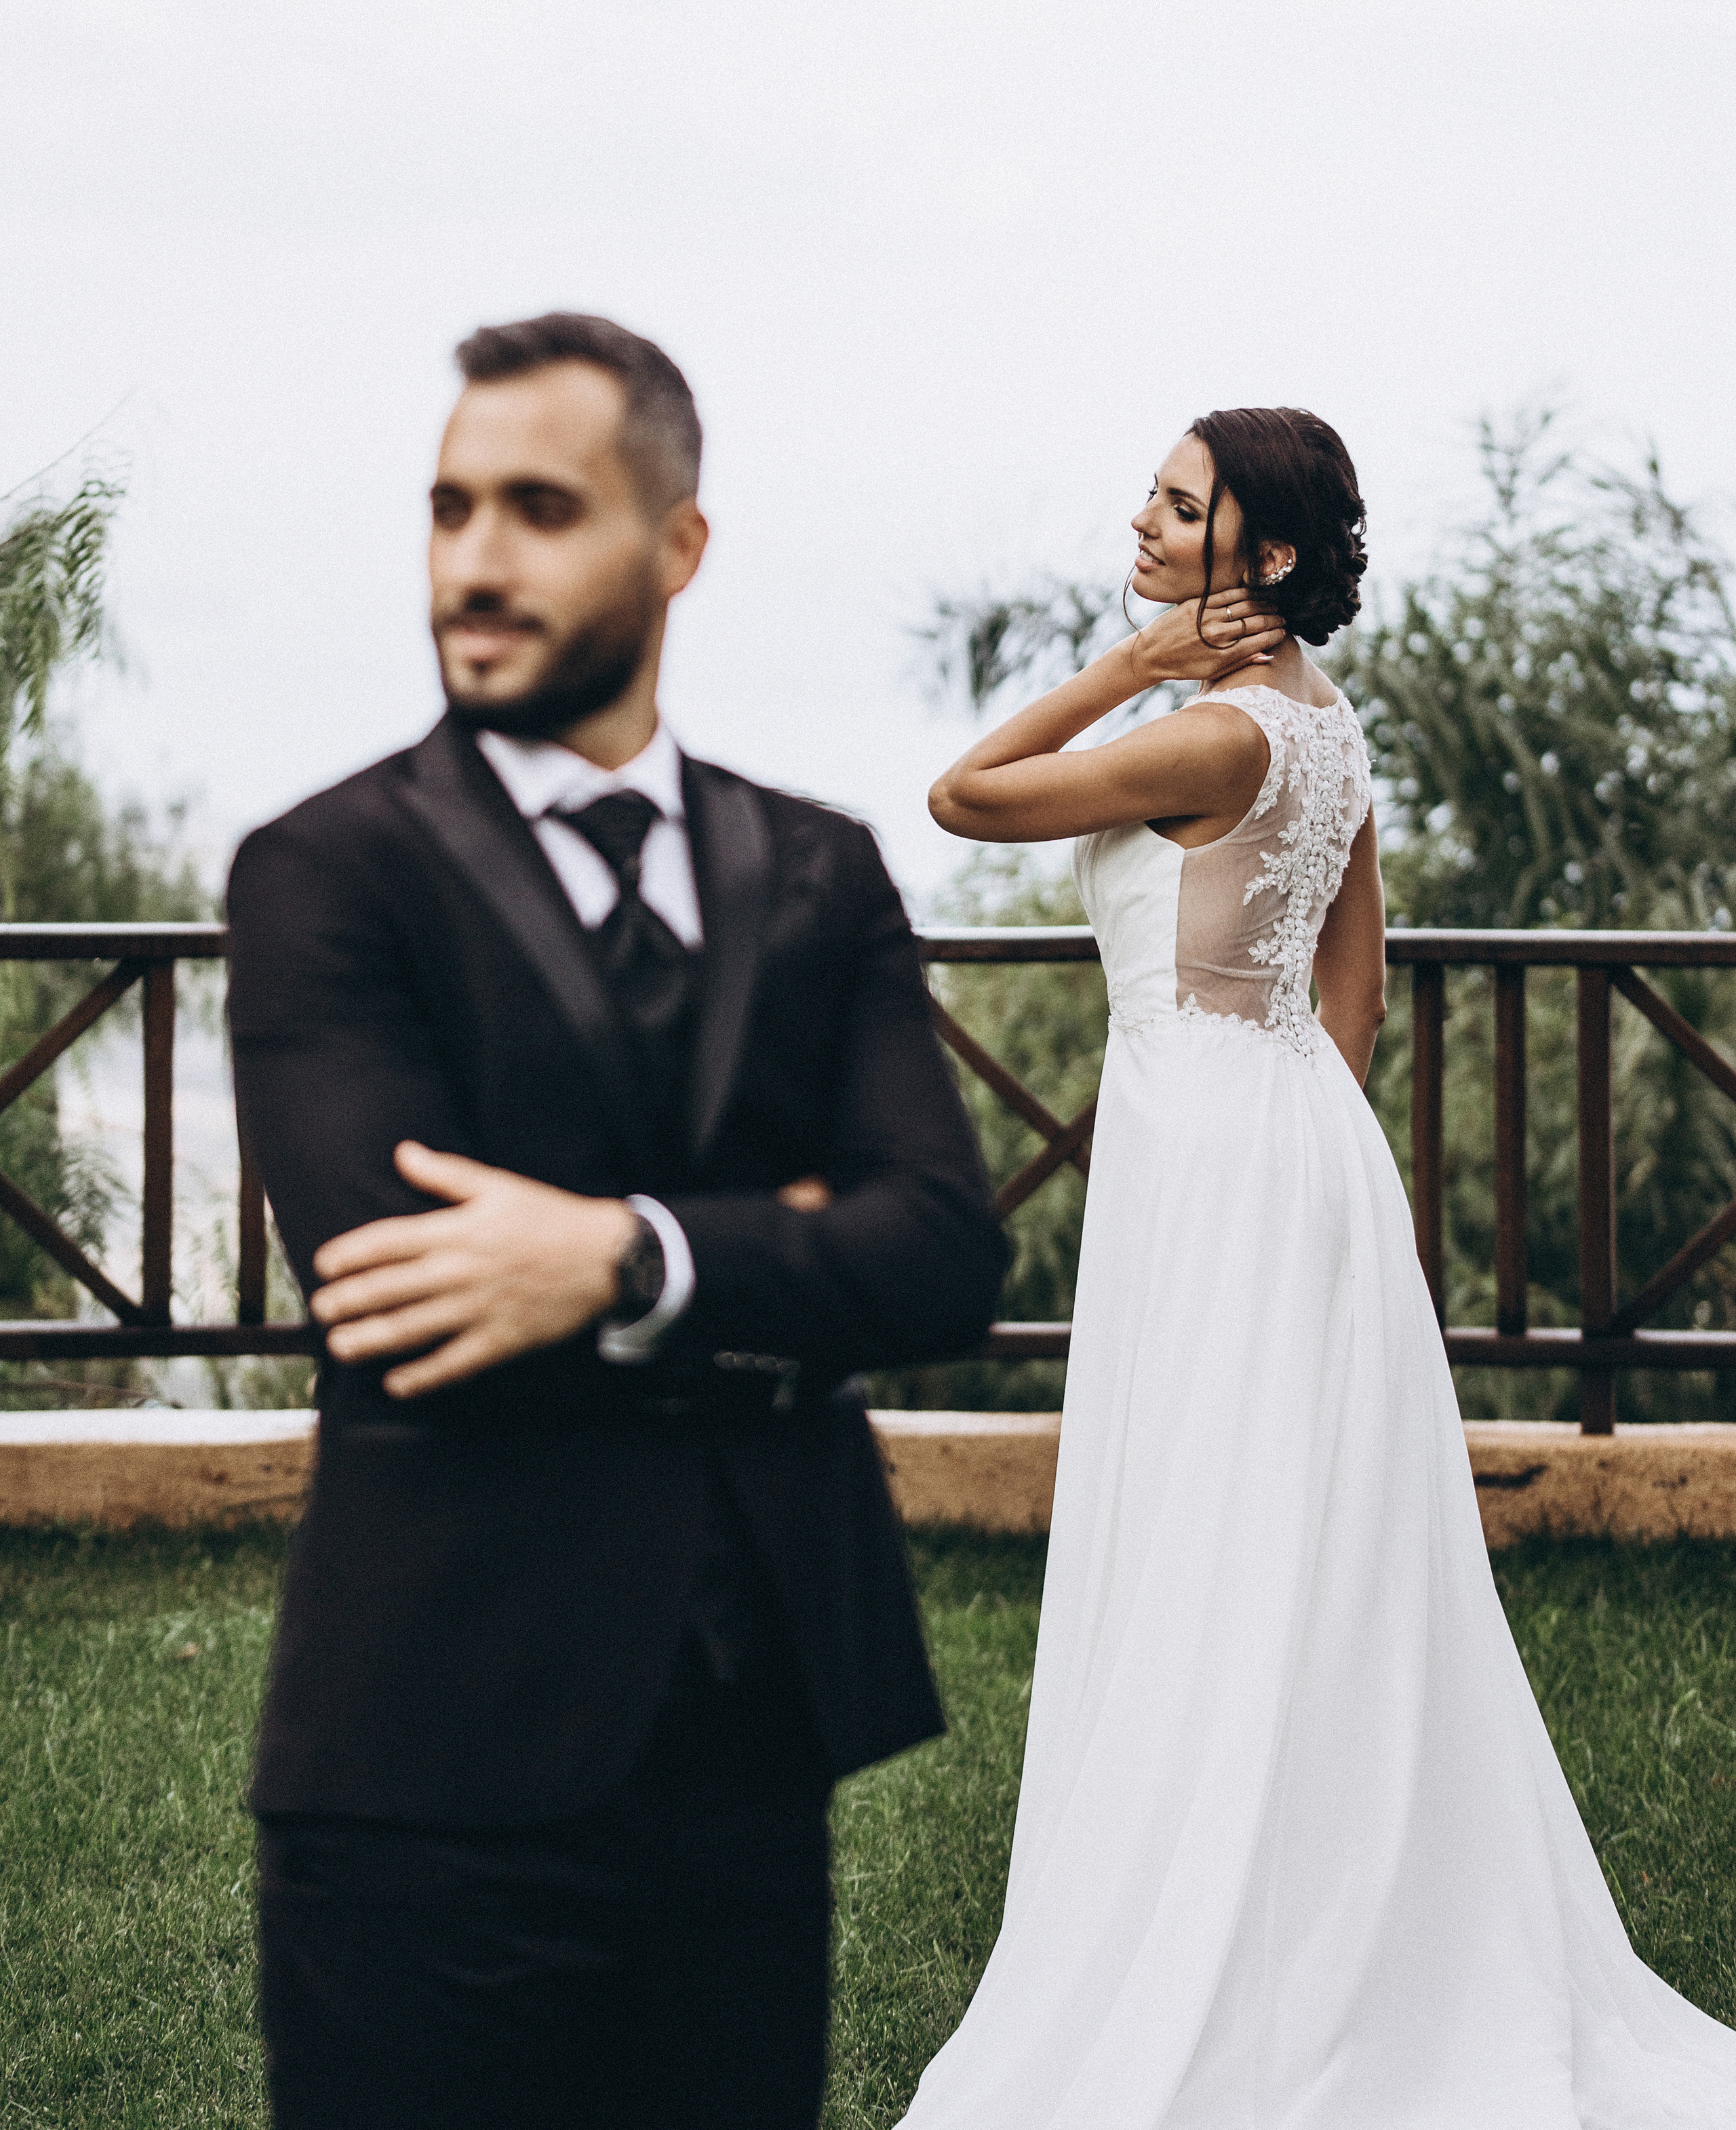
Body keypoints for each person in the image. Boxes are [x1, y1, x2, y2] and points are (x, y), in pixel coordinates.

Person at [902, 408, 1736, 2127]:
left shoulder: (1205, 732)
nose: (1142, 517)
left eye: (1179, 503)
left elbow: (962, 795)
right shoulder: (1328, 728)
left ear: (1261, 558)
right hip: (1290, 1144)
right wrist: (1288, 1148)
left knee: (1210, 1533)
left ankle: (1215, 1937)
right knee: (1300, 1541)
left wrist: (1121, 664)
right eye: (1147, 492)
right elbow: (1344, 1002)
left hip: (1202, 1151)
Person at [226, 311, 1008, 2130]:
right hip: (430, 1744)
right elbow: (394, 1288)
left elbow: (942, 1248)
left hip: (750, 1734)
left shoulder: (818, 864)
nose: (476, 559)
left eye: (540, 507)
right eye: (449, 507)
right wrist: (777, 1241)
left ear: (678, 547)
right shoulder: (328, 870)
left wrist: (623, 1254)